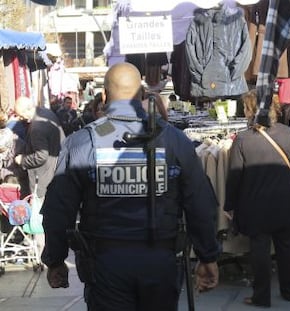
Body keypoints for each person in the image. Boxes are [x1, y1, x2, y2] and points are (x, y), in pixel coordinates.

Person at [40, 62, 220, 311]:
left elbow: (57, 210)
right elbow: (200, 203)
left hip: (105, 266)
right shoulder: (175, 141)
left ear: (103, 96)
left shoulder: (83, 142)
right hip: (160, 264)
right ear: (143, 96)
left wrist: (55, 260)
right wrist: (208, 256)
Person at [224, 89, 290, 307]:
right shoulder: (286, 133)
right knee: (286, 248)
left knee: (260, 250)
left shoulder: (242, 140)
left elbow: (234, 177)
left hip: (255, 206)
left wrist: (229, 205)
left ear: (249, 110)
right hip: (285, 203)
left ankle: (261, 296)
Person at [13, 96, 65, 251]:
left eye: (21, 115)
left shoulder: (36, 127)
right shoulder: (45, 113)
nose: (20, 118)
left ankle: (42, 250)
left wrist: (22, 160)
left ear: (28, 109)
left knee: (39, 218)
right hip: (55, 169)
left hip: (42, 177)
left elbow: (41, 156)